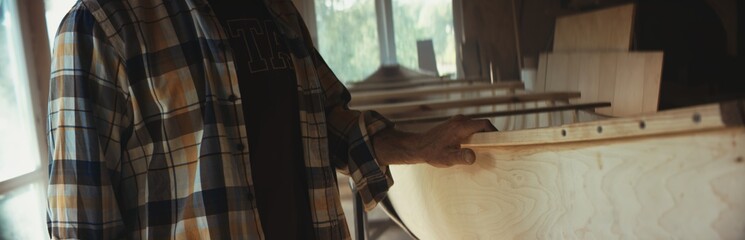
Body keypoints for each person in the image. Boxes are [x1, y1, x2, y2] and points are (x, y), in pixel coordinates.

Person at [46, 0, 495, 239]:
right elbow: (79, 222)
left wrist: (418, 145)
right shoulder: (100, 26)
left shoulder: (273, 10)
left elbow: (323, 119)